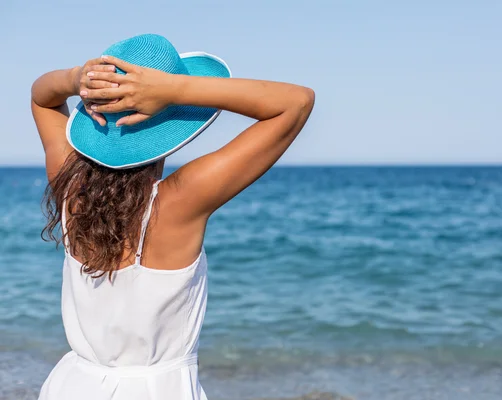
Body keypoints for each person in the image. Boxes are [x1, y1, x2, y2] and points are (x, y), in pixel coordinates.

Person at [31, 34, 314, 400]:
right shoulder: (178, 202)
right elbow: (296, 102)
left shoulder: (70, 191)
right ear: (173, 131)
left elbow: (42, 98)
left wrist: (76, 79)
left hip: (73, 385)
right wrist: (174, 89)